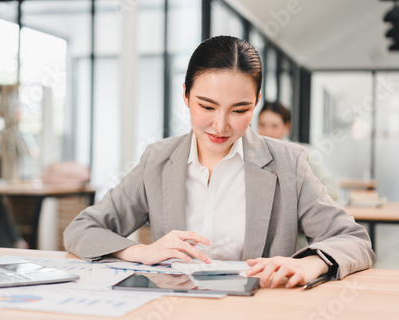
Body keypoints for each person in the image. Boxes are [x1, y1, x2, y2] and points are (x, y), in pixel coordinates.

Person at [64, 36, 374, 289]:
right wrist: (142, 251)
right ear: (186, 95)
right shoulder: (157, 160)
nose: (221, 126)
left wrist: (309, 263)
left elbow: (353, 240)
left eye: (240, 110)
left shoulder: (288, 164)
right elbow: (82, 229)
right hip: (175, 312)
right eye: (207, 106)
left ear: (256, 102)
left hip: (258, 315)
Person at [257, 101, 340, 200]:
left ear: (287, 127)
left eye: (274, 126)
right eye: (262, 125)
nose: (267, 132)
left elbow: (332, 190)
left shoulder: (303, 154)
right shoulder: (251, 155)